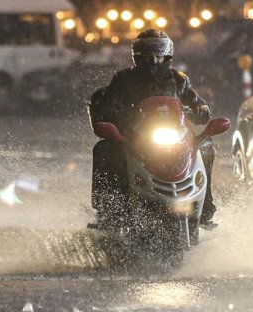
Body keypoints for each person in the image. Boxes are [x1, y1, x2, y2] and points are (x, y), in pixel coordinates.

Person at [88, 29, 217, 229]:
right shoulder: (123, 79)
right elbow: (107, 105)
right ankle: (109, 211)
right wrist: (114, 112)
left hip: (176, 137)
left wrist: (201, 108)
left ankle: (205, 208)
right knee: (106, 149)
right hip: (136, 138)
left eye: (158, 54)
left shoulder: (179, 80)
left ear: (168, 55)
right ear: (137, 56)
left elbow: (195, 101)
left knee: (206, 146)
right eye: (147, 55)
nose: (154, 59)